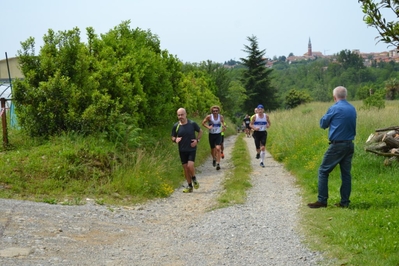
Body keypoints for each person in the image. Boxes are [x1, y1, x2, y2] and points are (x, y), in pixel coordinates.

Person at [307, 86, 357, 208]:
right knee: (346, 174)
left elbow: (322, 124)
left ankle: (322, 200)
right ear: (346, 96)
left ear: (334, 97)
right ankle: (345, 202)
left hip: (337, 145)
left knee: (323, 171)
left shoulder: (334, 108)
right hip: (349, 144)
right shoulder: (352, 108)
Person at [171, 108, 203, 193]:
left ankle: (194, 178)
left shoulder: (192, 124)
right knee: (185, 168)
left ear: (186, 114)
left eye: (182, 114)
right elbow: (173, 137)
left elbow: (200, 131)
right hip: (182, 150)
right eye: (179, 115)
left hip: (191, 148)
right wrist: (175, 140)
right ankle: (189, 186)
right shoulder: (176, 126)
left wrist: (197, 140)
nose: (180, 116)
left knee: (190, 166)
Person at [202, 105, 225, 170]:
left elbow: (223, 123)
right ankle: (214, 158)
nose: (215, 112)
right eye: (213, 111)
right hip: (211, 134)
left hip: (218, 134)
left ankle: (218, 163)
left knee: (218, 148)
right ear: (212, 111)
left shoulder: (220, 117)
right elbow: (203, 123)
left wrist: (223, 127)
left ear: (218, 111)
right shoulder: (209, 117)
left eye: (216, 111)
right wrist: (208, 127)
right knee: (212, 149)